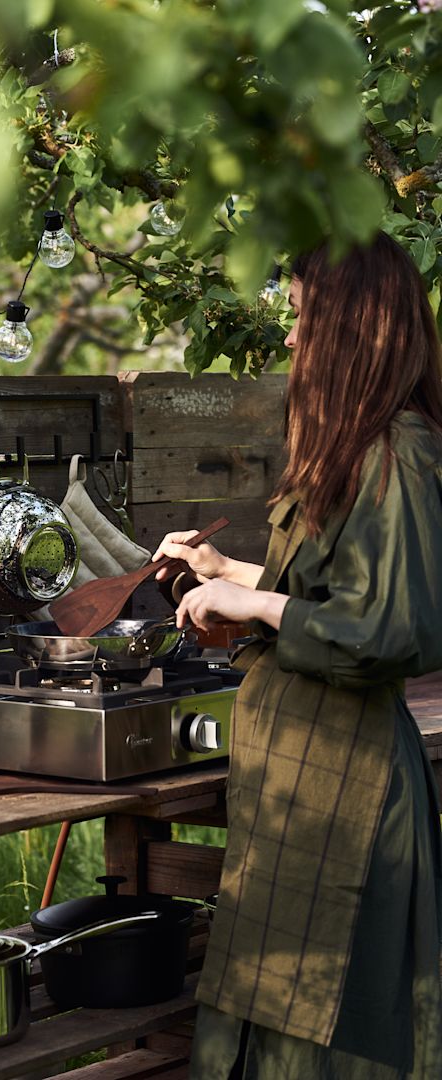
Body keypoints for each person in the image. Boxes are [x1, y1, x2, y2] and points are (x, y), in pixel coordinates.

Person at [153, 232, 442, 1079]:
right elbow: (334, 591)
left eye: (300, 318)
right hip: (299, 776)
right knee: (267, 1011)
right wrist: (226, 570)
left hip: (349, 785)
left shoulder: (402, 452)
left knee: (332, 1029)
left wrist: (249, 603)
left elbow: (391, 628)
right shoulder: (355, 448)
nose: (288, 339)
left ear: (351, 329)